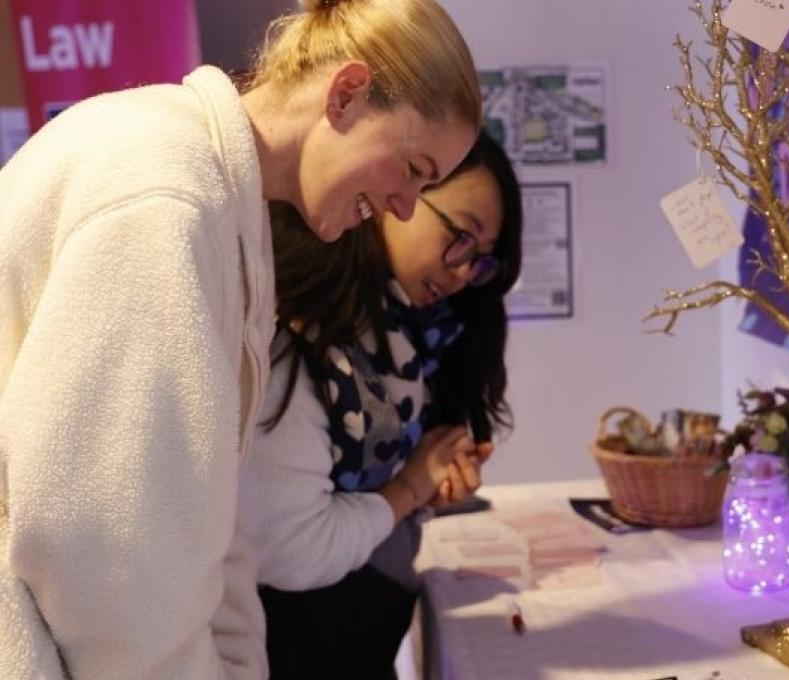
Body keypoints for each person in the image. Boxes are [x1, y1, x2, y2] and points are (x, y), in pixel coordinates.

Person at [0, 0, 480, 678]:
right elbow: (100, 546)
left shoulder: (226, 202)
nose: (404, 206)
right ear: (346, 94)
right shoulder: (165, 193)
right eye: (413, 168)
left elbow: (206, 515)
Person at [239, 130, 522, 679]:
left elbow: (370, 493)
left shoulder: (411, 336)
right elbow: (291, 549)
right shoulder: (299, 332)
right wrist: (410, 486)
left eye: (482, 260)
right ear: (399, 195)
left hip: (361, 637)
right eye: (462, 235)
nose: (465, 271)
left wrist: (429, 484)